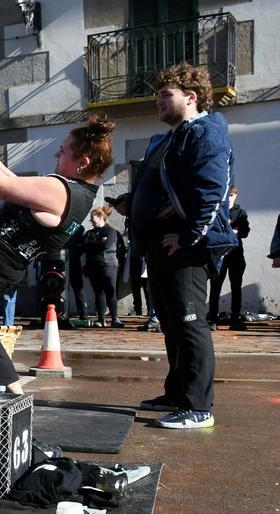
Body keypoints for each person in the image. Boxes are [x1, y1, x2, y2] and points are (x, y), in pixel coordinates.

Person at [0, 114, 113, 393]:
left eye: (64, 150)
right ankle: (14, 391)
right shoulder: (79, 194)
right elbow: (12, 181)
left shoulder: (60, 190)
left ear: (83, 162)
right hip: (0, 269)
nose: (58, 152)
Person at [113, 64, 236, 429]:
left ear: (191, 97)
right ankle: (178, 394)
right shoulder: (175, 137)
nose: (158, 104)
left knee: (190, 323)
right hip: (161, 247)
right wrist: (132, 201)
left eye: (165, 96)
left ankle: (199, 406)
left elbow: (213, 190)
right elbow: (170, 185)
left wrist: (187, 237)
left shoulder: (206, 133)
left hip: (185, 250)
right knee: (171, 324)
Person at [207, 186, 249, 330]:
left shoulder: (240, 212)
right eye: (228, 195)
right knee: (215, 286)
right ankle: (212, 318)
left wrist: (236, 230)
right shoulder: (217, 210)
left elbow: (245, 231)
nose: (230, 197)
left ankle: (235, 318)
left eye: (232, 195)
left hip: (235, 254)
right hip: (219, 254)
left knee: (236, 286)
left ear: (235, 196)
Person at [83, 206, 125, 328]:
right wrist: (98, 243)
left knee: (110, 291)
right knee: (98, 292)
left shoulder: (110, 231)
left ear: (101, 217)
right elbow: (85, 246)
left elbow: (106, 245)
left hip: (108, 265)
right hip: (93, 266)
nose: (91, 220)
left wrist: (94, 244)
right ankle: (101, 319)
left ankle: (115, 318)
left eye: (92, 217)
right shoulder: (89, 233)